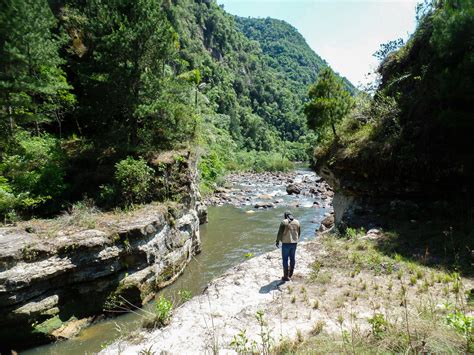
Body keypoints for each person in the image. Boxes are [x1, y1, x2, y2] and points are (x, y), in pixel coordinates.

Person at [275, 211, 301, 281]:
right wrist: (295, 240)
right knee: (292, 258)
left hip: (286, 244)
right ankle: (291, 274)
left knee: (285, 259)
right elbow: (299, 233)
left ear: (285, 216)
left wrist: (277, 241)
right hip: (294, 243)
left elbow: (280, 233)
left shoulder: (284, 222)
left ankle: (285, 276)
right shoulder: (297, 222)